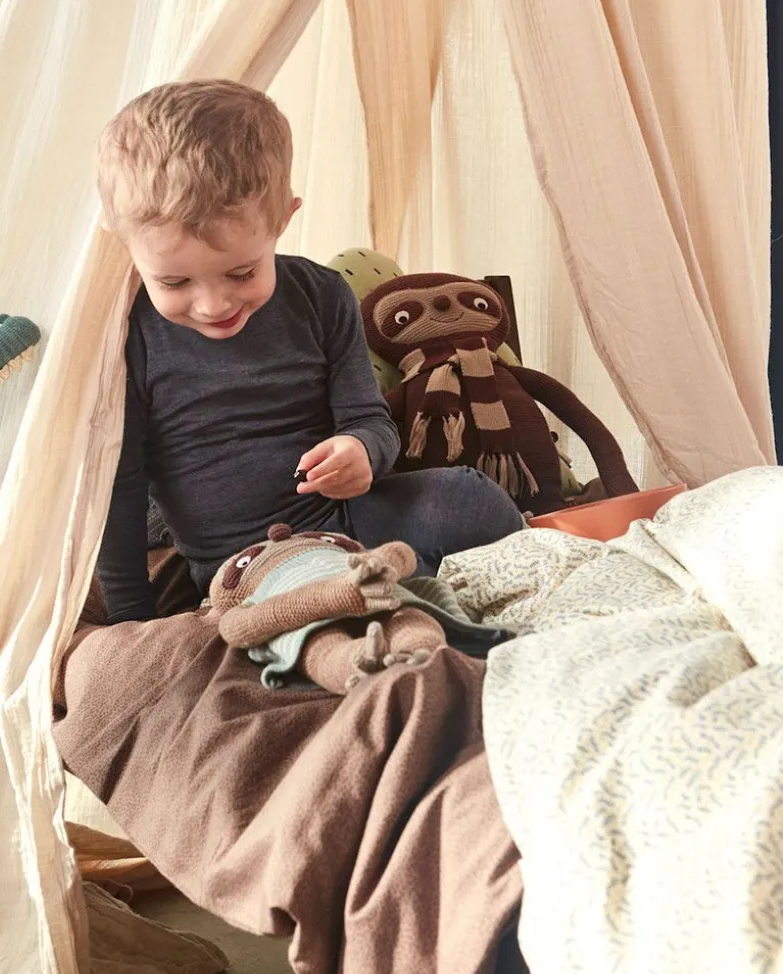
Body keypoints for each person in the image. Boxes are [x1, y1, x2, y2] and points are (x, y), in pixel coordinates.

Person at [95, 80, 523, 623]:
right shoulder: (132, 335)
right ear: (121, 242)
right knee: (315, 591)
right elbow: (120, 486)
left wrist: (362, 452)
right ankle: (365, 606)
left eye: (241, 272)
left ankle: (435, 593)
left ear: (282, 219)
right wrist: (132, 619)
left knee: (469, 498)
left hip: (348, 514)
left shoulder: (322, 296)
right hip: (250, 560)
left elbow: (371, 419)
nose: (211, 304)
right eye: (175, 282)